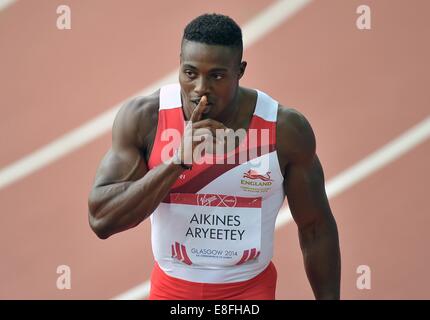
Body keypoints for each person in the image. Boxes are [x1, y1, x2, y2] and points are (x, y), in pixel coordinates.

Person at [88, 13, 341, 300]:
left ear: (240, 71)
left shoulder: (284, 130)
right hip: (171, 293)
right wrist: (176, 163)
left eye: (216, 76)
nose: (200, 89)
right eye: (190, 73)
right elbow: (102, 220)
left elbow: (315, 227)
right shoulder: (145, 119)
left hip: (249, 292)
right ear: (180, 64)